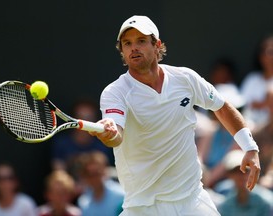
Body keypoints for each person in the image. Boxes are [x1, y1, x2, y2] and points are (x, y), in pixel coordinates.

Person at [89, 15, 260, 215]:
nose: (133, 48)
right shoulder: (115, 93)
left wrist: (250, 147)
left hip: (192, 199)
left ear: (157, 45)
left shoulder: (185, 78)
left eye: (141, 41)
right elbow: (115, 135)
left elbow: (221, 107)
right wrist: (109, 133)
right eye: (127, 43)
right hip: (144, 207)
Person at [217, 150, 273, 216]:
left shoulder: (267, 202)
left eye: (245, 170)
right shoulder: (225, 206)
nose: (241, 175)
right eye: (235, 171)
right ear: (229, 175)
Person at [240, 34, 273, 129]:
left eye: (271, 52)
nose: (269, 56)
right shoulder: (252, 79)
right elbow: (243, 105)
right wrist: (264, 104)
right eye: (266, 52)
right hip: (250, 127)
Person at [76, 151, 124, 216]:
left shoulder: (121, 195)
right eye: (89, 175)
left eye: (96, 173)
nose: (93, 178)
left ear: (104, 171)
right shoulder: (83, 202)